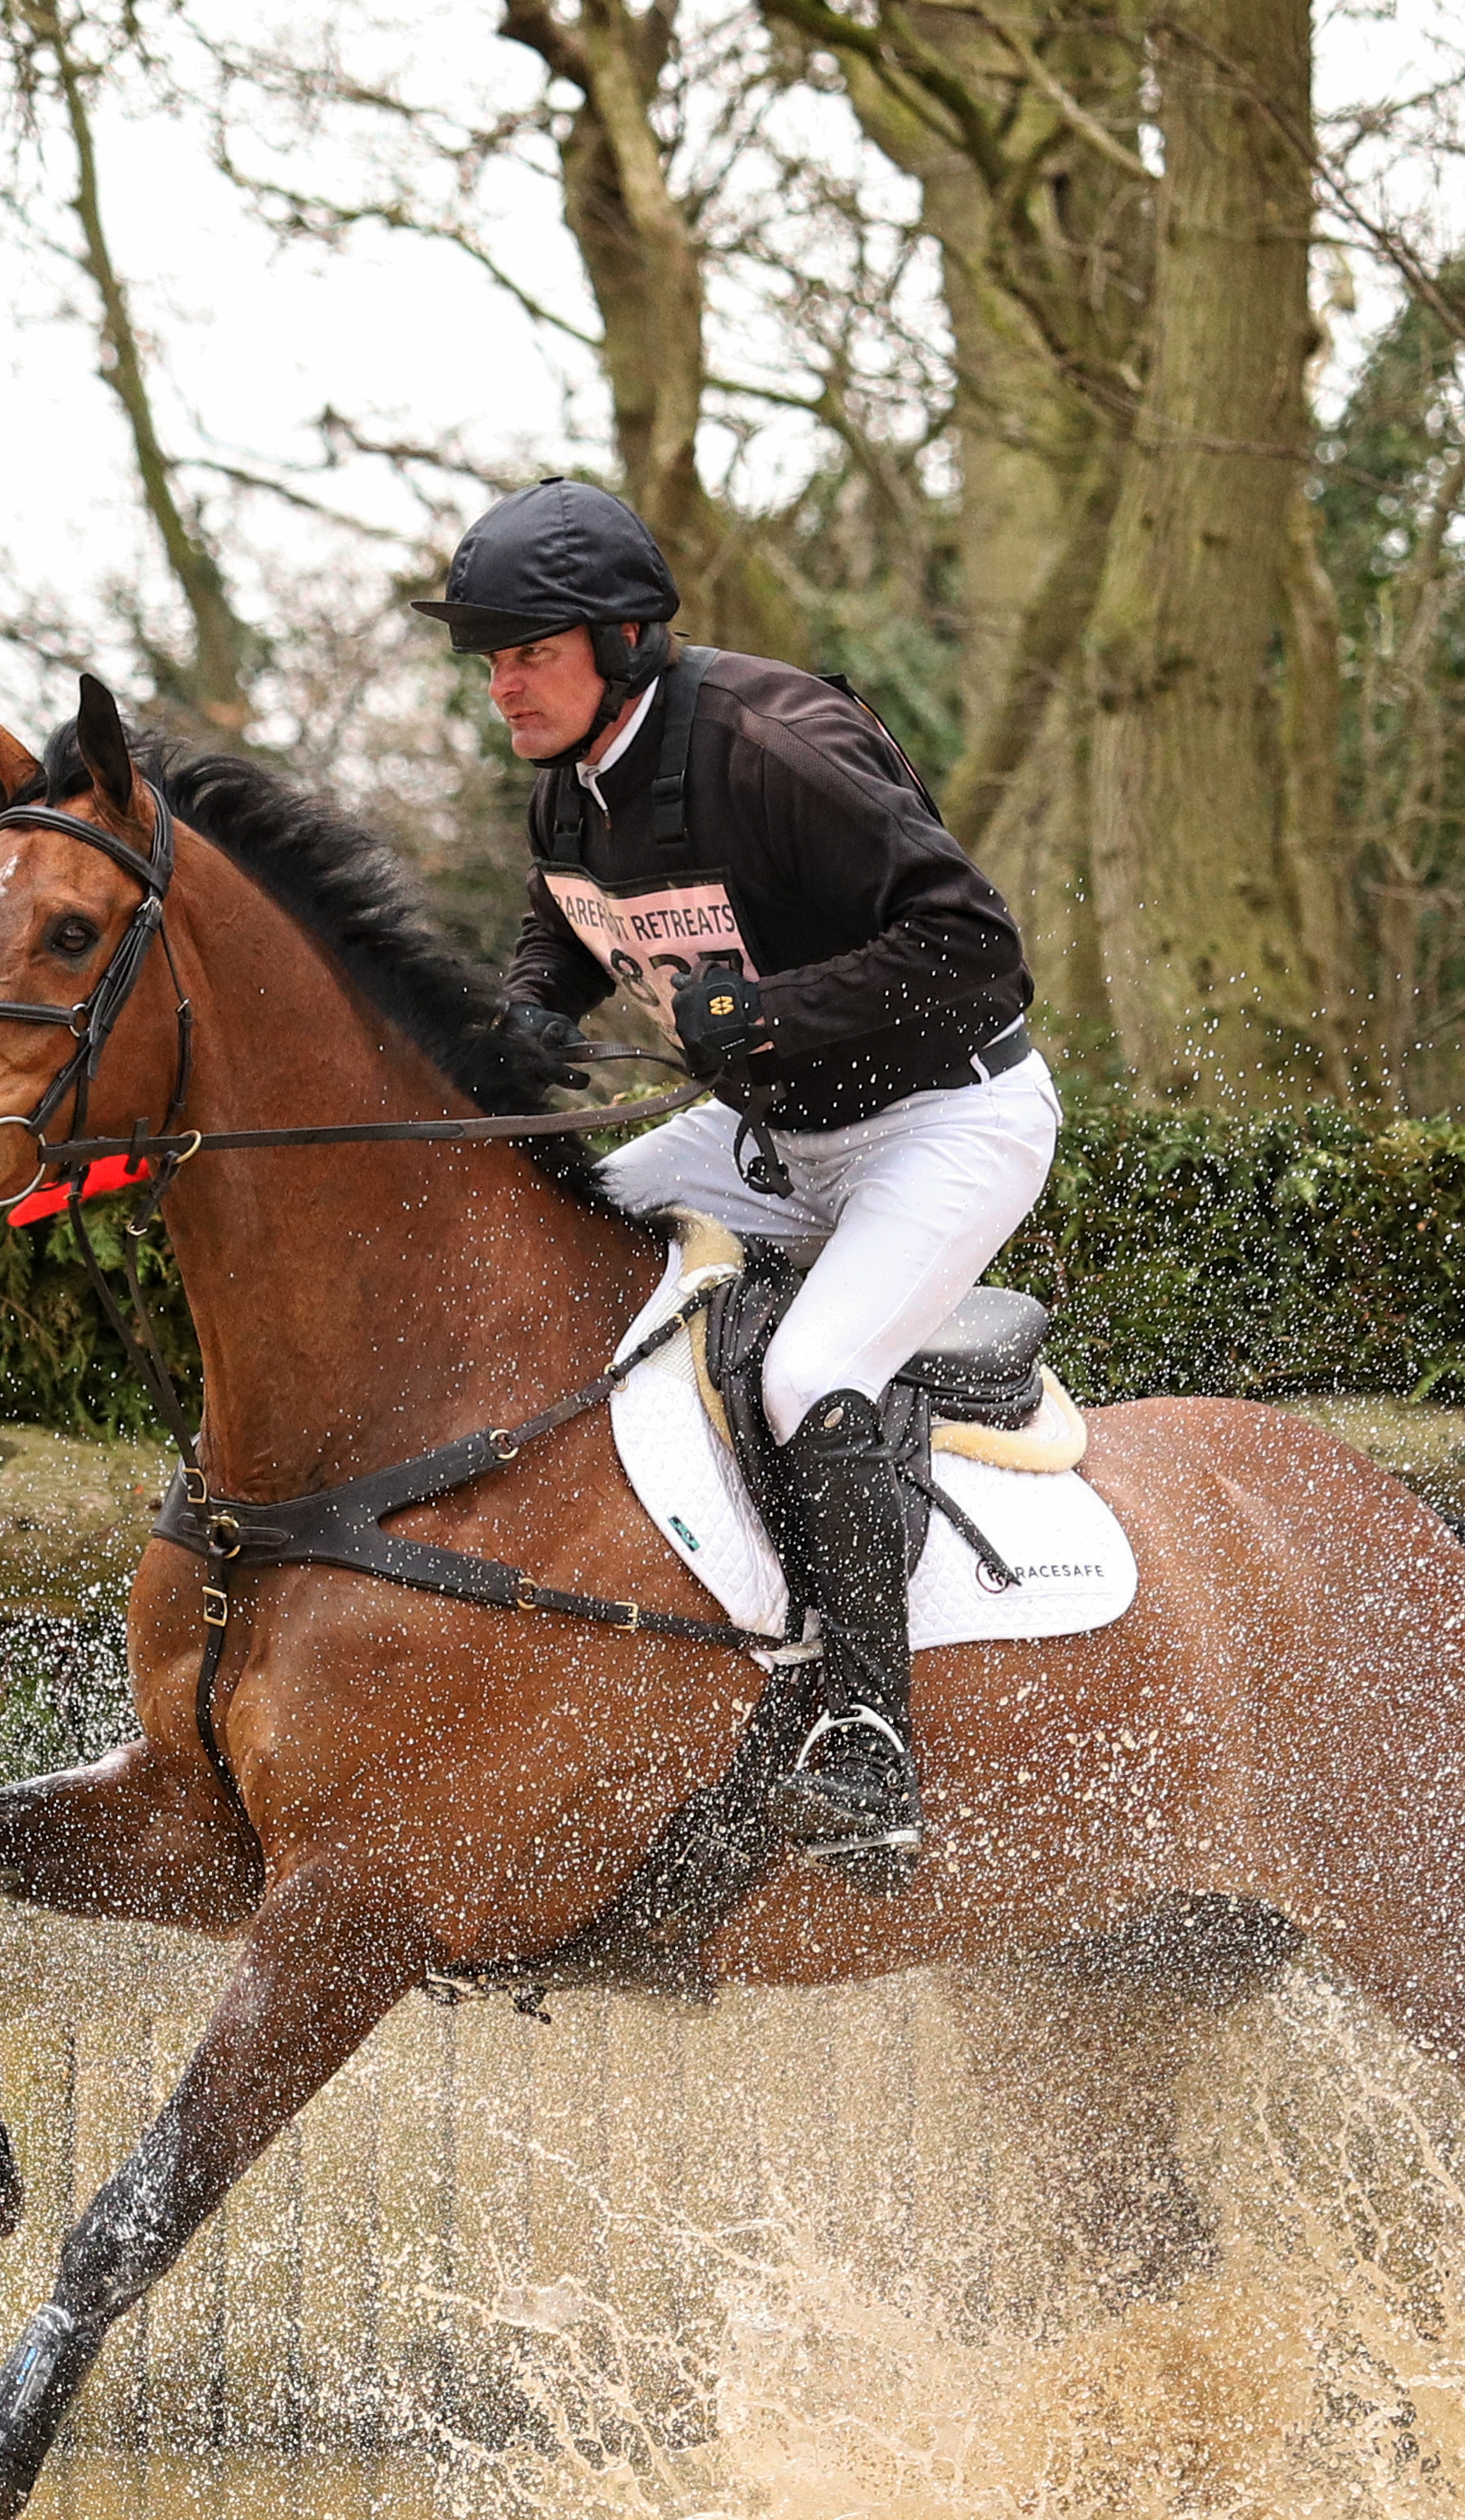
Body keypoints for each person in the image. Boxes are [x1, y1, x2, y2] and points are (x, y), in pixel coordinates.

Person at [420, 476, 1052, 1892]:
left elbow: (977, 949)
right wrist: (532, 1016)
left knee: (805, 1371)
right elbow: (566, 931)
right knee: (556, 1253)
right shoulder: (572, 786)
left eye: (529, 652)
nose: (503, 685)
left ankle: (869, 1738)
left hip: (944, 1126)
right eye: (492, 658)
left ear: (626, 641)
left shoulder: (778, 744)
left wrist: (771, 1019)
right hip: (772, 1135)